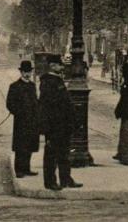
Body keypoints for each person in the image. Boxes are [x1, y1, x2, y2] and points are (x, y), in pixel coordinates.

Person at [38, 56, 81, 190]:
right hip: (54, 125)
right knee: (51, 154)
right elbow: (45, 107)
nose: (61, 67)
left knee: (64, 153)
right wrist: (46, 127)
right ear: (52, 66)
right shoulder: (48, 82)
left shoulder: (57, 80)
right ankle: (50, 182)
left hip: (63, 124)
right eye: (58, 65)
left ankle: (65, 179)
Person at [6, 60, 40, 178]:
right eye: (25, 72)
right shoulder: (14, 86)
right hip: (21, 121)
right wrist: (19, 113)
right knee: (20, 146)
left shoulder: (32, 86)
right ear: (21, 72)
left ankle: (27, 168)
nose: (27, 74)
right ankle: (19, 170)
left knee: (30, 145)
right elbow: (9, 104)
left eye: (29, 72)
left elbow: (36, 102)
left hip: (32, 121)